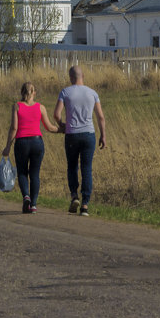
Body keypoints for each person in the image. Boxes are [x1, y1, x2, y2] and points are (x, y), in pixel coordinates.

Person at [53, 65, 107, 217]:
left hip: (72, 135)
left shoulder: (65, 92)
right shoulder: (93, 93)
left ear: (71, 77)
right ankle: (85, 205)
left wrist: (62, 125)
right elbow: (101, 117)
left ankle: (74, 195)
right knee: (86, 168)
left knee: (72, 166)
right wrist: (103, 136)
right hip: (89, 134)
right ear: (83, 76)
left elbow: (56, 114)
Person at [1, 82, 60, 214]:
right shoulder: (40, 107)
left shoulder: (16, 106)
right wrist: (62, 129)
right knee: (35, 174)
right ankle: (33, 205)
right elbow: (49, 127)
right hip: (37, 143)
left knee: (22, 172)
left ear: (21, 92)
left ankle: (26, 196)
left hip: (21, 142)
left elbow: (14, 128)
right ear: (34, 93)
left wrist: (7, 147)